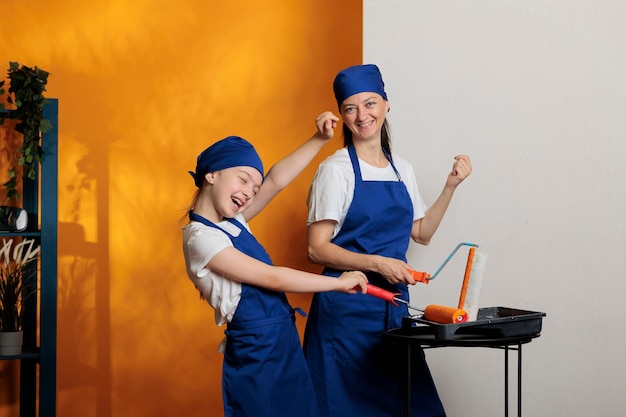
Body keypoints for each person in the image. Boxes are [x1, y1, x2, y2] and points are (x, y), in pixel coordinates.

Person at [302, 64, 472, 417]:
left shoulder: (401, 169)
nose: (362, 115)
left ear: (386, 105)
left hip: (392, 310)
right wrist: (377, 263)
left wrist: (450, 187)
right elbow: (316, 248)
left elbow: (422, 233)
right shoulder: (335, 170)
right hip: (344, 314)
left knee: (415, 407)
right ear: (343, 116)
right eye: (351, 108)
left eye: (370, 104)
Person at [182, 127, 368, 417]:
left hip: (283, 342)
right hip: (255, 351)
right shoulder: (201, 238)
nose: (247, 194)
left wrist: (319, 138)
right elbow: (272, 277)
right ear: (212, 174)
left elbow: (276, 180)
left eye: (254, 190)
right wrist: (337, 284)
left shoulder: (233, 222)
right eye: (242, 179)